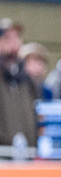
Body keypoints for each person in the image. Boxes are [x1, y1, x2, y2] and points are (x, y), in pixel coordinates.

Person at [0, 18, 36, 147]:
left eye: (17, 38)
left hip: (27, 152)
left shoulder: (27, 79)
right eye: (7, 38)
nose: (14, 43)